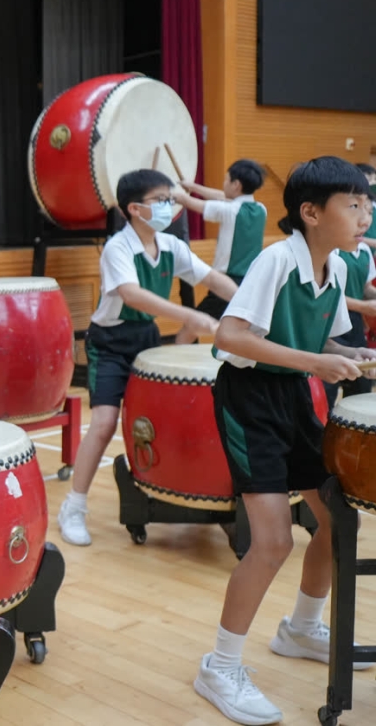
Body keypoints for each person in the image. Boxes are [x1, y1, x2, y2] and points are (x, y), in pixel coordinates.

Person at [193, 157, 376, 726]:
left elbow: (324, 342)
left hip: (294, 396)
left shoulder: (337, 267)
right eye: (354, 204)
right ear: (311, 213)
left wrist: (352, 354)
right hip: (249, 400)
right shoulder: (275, 260)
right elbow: (230, 335)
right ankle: (220, 666)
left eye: (368, 205)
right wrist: (315, 362)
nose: (366, 215)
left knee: (337, 521)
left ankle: (300, 628)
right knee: (272, 542)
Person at [56, 169, 238, 547]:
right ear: (135, 209)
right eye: (162, 200)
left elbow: (212, 279)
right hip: (109, 344)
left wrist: (249, 303)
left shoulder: (171, 246)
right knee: (104, 423)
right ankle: (73, 506)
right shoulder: (117, 248)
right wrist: (188, 315)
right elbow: (132, 294)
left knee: (167, 418)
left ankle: (184, 490)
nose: (171, 206)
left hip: (146, 338)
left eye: (171, 198)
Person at [174, 160, 267, 320]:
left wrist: (169, 193)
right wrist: (193, 187)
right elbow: (222, 196)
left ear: (236, 185)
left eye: (226, 180)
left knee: (194, 324)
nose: (224, 184)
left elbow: (189, 202)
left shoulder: (229, 211)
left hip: (226, 282)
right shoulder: (261, 209)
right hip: (251, 281)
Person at [322, 188, 376, 409]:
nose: (365, 219)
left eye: (369, 211)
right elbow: (329, 296)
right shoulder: (333, 252)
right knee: (327, 390)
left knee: (361, 390)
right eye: (356, 208)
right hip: (331, 323)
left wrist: (369, 301)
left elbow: (365, 288)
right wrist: (365, 306)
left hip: (354, 326)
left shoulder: (364, 251)